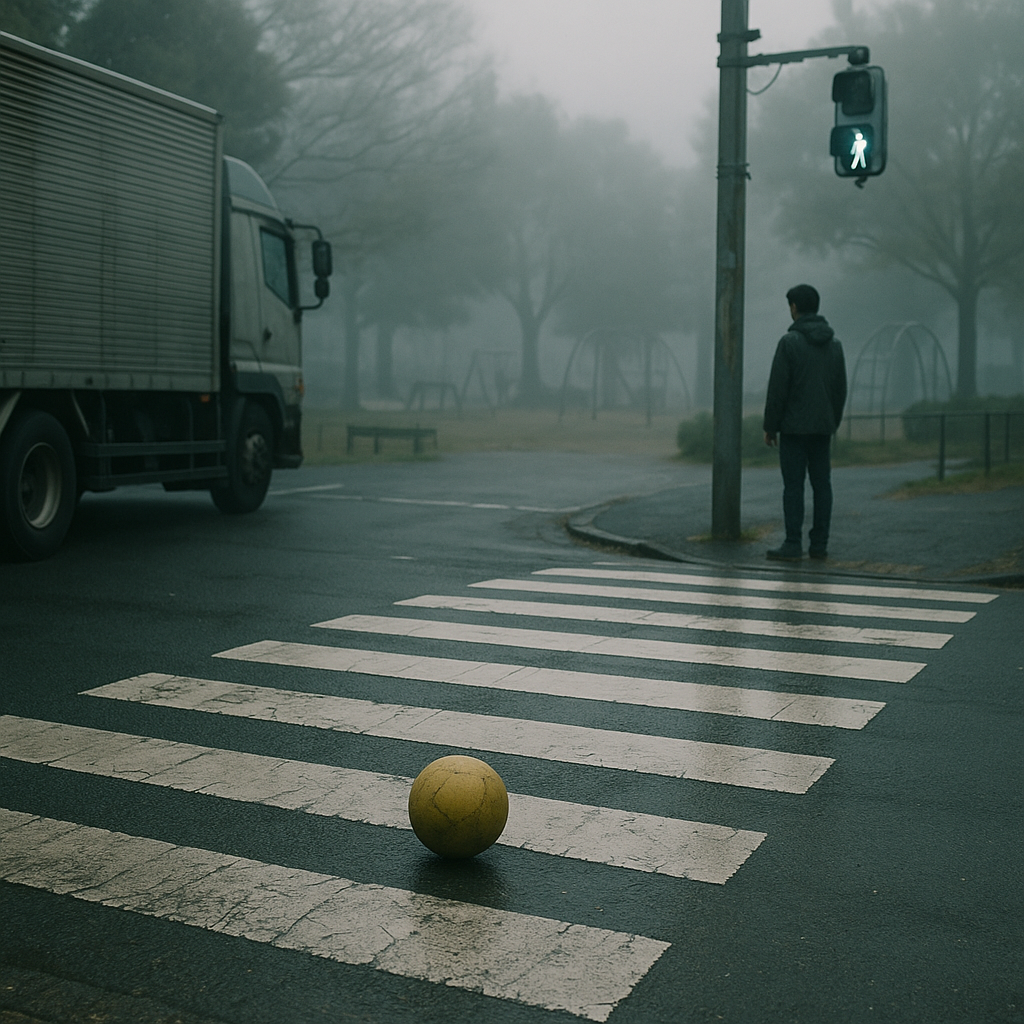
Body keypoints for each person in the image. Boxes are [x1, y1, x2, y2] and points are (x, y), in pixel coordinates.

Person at [762, 284, 847, 561]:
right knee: (822, 485)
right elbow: (839, 389)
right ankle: (819, 544)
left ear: (795, 308)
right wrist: (831, 420)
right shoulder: (834, 345)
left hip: (794, 429)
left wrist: (770, 426)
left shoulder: (789, 343)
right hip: (822, 428)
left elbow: (778, 389)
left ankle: (793, 543)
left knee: (793, 487)